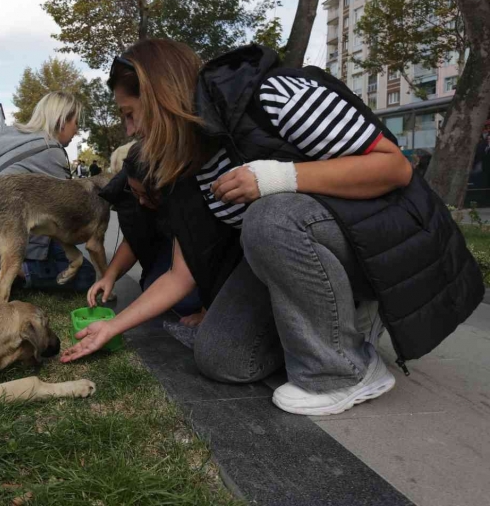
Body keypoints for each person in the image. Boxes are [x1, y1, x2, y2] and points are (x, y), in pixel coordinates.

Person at [63, 39, 483, 418]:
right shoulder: (188, 167)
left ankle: (346, 370)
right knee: (221, 358)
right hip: (303, 247)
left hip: (381, 238)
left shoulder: (274, 95)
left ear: (159, 97)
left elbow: (394, 167)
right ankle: (336, 321)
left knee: (271, 213)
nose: (131, 131)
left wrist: (278, 179)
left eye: (130, 115)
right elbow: (179, 274)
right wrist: (112, 327)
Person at [0, 91, 96, 293]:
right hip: (11, 238)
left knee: (64, 252)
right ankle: (18, 272)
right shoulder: (50, 149)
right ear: (62, 121)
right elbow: (62, 214)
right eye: (76, 122)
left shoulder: (15, 139)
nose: (76, 130)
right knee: (86, 275)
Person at [95, 143, 204, 326]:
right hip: (173, 249)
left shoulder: (193, 200)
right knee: (152, 287)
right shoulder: (141, 196)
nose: (141, 201)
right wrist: (109, 276)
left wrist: (207, 310)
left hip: (212, 258)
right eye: (134, 192)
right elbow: (134, 238)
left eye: (146, 194)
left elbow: (213, 260)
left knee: (185, 301)